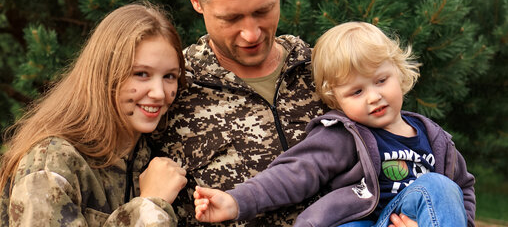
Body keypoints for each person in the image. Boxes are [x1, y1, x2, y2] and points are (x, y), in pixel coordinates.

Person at [193, 22, 476, 227]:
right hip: (360, 222)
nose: (374, 97)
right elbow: (293, 173)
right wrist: (236, 202)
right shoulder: (344, 136)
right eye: (356, 91)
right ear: (335, 99)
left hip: (414, 217)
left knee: (439, 186)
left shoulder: (435, 138)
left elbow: (462, 188)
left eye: (381, 80)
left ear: (399, 74)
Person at [152, 0, 327, 226]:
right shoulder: (168, 88)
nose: (250, 33)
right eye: (231, 18)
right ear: (195, 0)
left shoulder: (324, 70)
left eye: (263, 11)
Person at [0, 2, 188, 227]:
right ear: (105, 74)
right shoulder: (53, 162)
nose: (159, 93)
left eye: (169, 76)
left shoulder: (150, 155)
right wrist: (150, 206)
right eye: (141, 74)